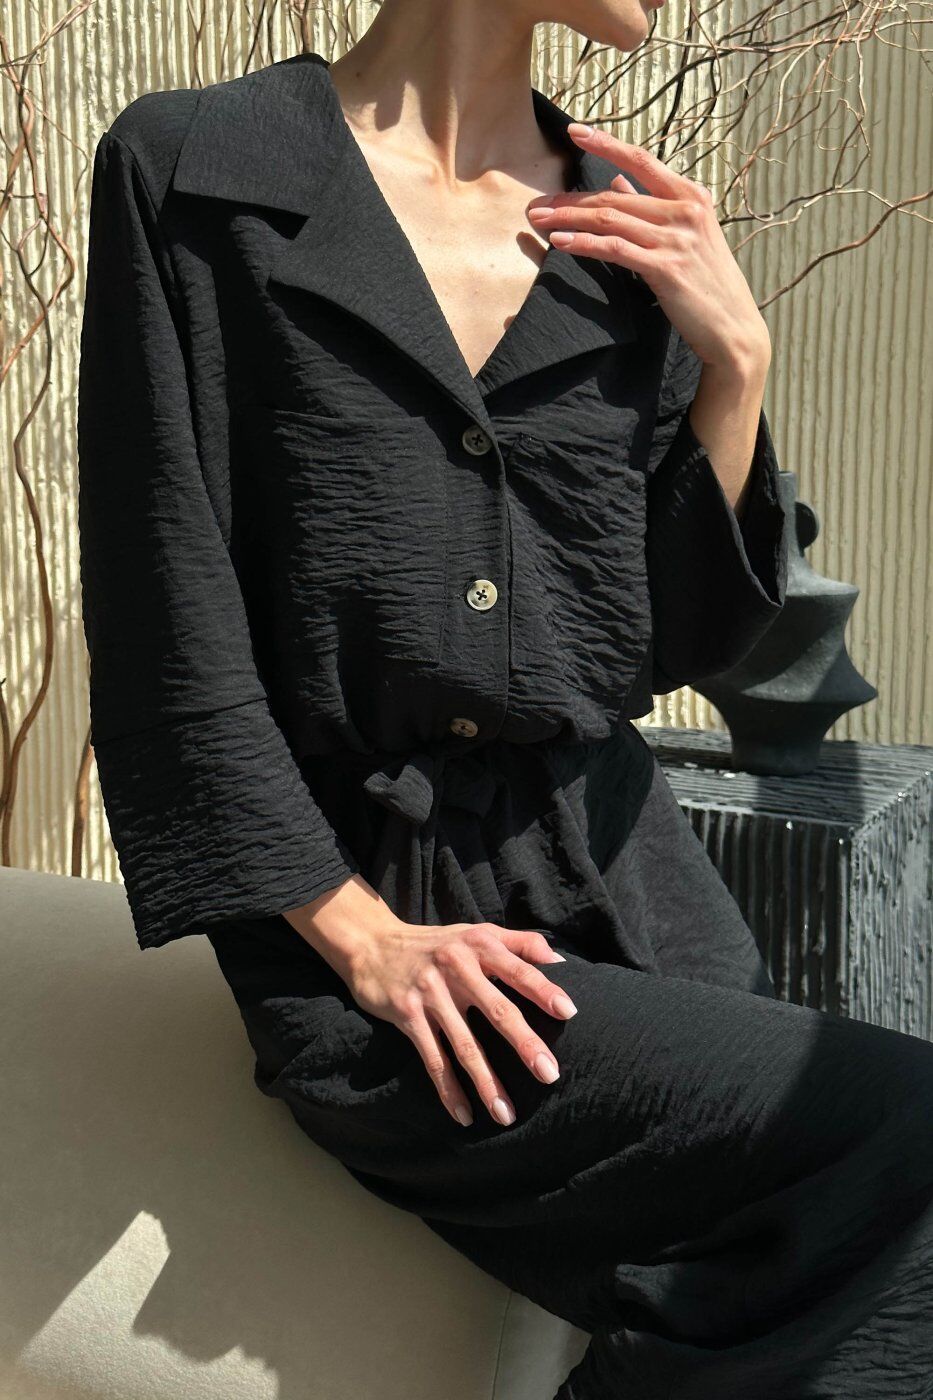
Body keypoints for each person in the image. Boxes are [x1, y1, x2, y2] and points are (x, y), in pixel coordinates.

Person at [76, 2, 933, 1395]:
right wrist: (362, 941)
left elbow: (662, 642)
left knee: (812, 1275)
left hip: (634, 886)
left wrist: (734, 370)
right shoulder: (199, 171)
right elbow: (166, 617)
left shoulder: (622, 227)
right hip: (388, 934)